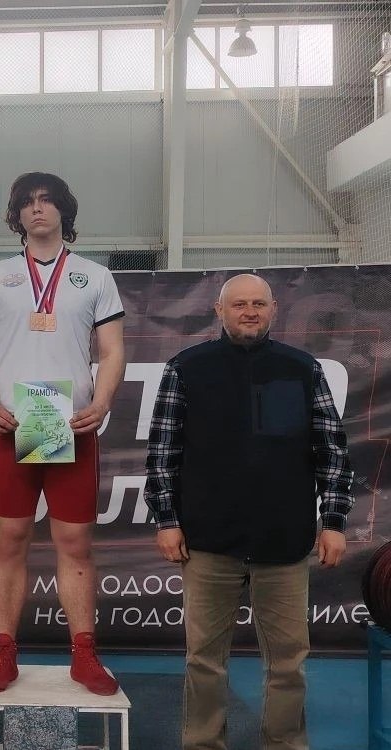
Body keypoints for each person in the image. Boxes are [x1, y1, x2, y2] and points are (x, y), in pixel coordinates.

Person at [144, 273, 354, 750]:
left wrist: (334, 521)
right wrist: (166, 520)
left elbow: (332, 451)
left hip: (285, 541)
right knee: (203, 660)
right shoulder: (186, 368)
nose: (249, 311)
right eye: (239, 304)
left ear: (274, 309)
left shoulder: (302, 369)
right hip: (207, 541)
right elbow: (162, 452)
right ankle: (202, 743)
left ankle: (284, 744)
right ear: (219, 310)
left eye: (258, 303)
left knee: (287, 664)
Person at [0, 172, 125, 695]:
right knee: (9, 538)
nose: (38, 209)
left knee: (74, 541)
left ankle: (84, 653)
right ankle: (3, 652)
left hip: (70, 425)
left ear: (63, 210)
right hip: (12, 424)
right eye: (28, 202)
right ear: (16, 214)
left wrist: (101, 402)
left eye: (48, 200)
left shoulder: (95, 277)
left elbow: (112, 351)